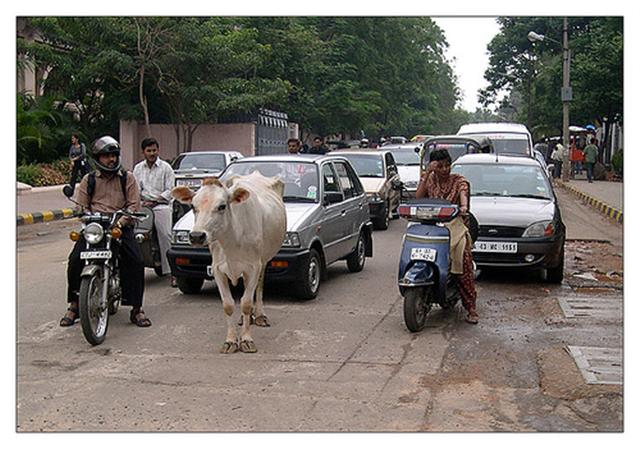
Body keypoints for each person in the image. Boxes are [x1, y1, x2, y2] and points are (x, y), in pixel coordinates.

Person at [60, 136, 151, 328]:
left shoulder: (128, 178)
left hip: (120, 226)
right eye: (106, 156)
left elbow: (134, 205)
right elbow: (81, 205)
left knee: (135, 260)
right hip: (95, 227)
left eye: (113, 155)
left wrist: (122, 221)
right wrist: (82, 214)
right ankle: (74, 305)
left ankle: (136, 309)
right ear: (97, 158)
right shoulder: (89, 179)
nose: (111, 159)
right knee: (75, 259)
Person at [415, 149, 479, 324]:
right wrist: (428, 172)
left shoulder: (459, 181)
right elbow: (418, 197)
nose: (444, 169)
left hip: (455, 225)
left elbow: (463, 194)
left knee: (462, 257)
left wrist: (463, 207)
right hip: (431, 225)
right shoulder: (429, 180)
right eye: (440, 166)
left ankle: (471, 307)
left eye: (447, 165)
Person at [133, 137, 175, 277]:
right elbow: (135, 190)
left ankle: (172, 272)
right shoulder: (138, 168)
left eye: (154, 150)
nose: (152, 153)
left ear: (158, 150)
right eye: (149, 150)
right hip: (143, 206)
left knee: (165, 234)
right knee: (131, 233)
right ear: (143, 152)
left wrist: (156, 201)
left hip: (161, 206)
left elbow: (170, 190)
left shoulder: (166, 168)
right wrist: (139, 202)